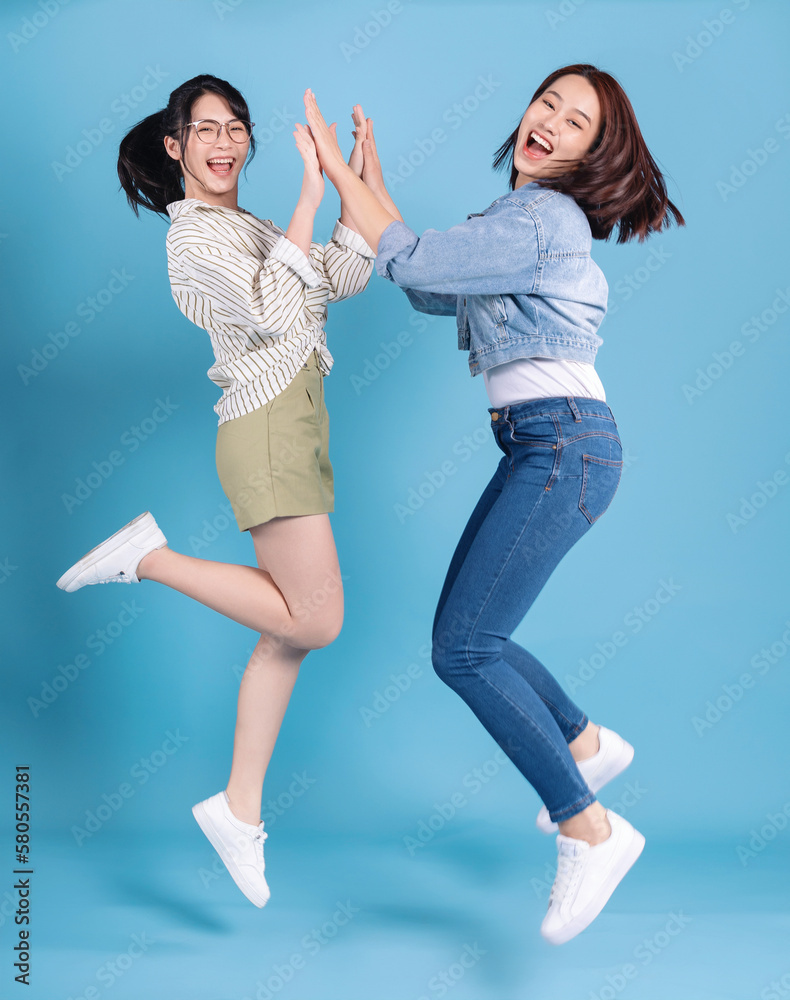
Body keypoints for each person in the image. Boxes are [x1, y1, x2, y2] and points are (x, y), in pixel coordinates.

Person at [301, 63, 685, 944]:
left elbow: (412, 256)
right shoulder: (514, 219)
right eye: (548, 102)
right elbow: (427, 284)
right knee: (474, 638)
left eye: (577, 121)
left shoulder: (545, 218)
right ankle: (585, 744)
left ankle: (592, 829)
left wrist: (340, 174)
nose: (550, 121)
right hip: (546, 445)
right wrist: (371, 187)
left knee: (464, 650)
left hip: (564, 445)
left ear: (594, 153)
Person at [54, 74, 380, 909]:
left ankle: (238, 809)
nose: (225, 141)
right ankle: (150, 558)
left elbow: (339, 278)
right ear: (175, 146)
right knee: (318, 618)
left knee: (288, 630)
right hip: (268, 425)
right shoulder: (194, 238)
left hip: (296, 422)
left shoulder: (250, 227)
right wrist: (310, 197)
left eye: (236, 126)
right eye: (206, 129)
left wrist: (356, 179)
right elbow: (274, 309)